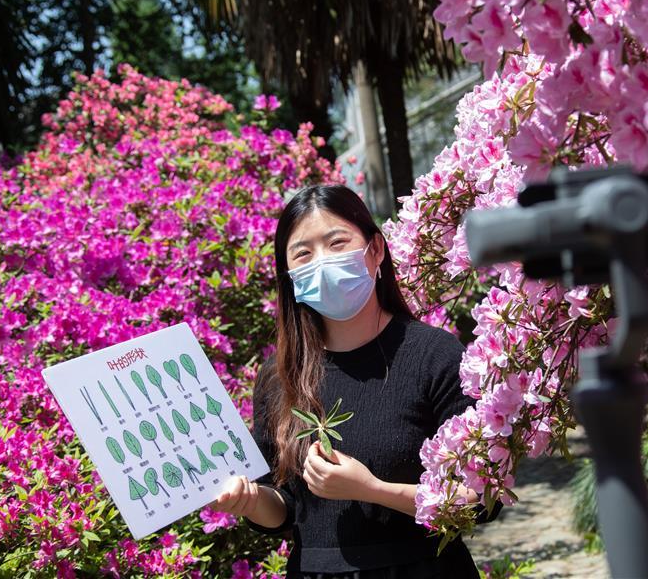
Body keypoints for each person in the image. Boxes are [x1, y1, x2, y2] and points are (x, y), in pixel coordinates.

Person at [207, 184, 503, 578]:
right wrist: (248, 500)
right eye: (303, 254)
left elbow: (482, 498)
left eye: (337, 242)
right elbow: (284, 509)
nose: (323, 262)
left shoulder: (434, 355)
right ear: (290, 275)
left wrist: (371, 489)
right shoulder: (280, 377)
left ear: (375, 250)